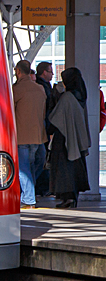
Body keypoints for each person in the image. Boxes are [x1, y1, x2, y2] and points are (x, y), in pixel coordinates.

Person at [49, 67, 92, 209]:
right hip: (76, 139)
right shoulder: (81, 96)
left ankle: (67, 198)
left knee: (64, 170)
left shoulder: (67, 97)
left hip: (64, 139)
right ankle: (73, 197)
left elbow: (55, 118)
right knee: (75, 169)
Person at [12, 60, 47, 209]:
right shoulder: (40, 89)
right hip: (37, 135)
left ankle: (28, 199)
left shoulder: (16, 90)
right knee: (32, 166)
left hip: (21, 136)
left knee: (23, 169)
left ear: (18, 72)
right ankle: (29, 194)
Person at [34, 61, 55, 196]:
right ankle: (39, 186)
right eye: (51, 71)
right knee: (41, 158)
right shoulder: (42, 87)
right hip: (43, 129)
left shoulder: (43, 86)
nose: (52, 74)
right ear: (44, 72)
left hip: (42, 128)